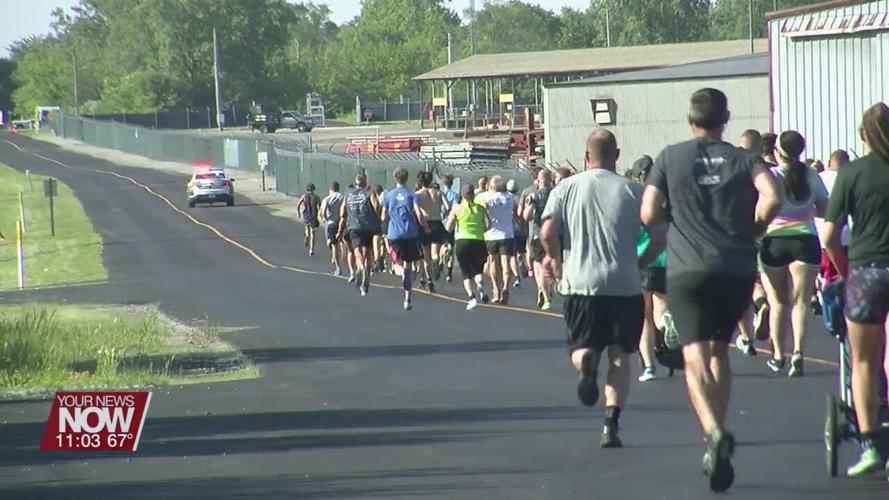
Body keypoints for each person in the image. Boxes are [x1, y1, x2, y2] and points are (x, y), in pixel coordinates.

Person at [641, 88, 781, 492]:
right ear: (725, 120)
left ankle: (713, 432)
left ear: (690, 119)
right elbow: (773, 195)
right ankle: (718, 429)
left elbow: (649, 212)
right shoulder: (744, 158)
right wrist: (755, 225)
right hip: (735, 267)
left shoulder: (670, 156)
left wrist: (673, 220)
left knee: (693, 354)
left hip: (688, 271)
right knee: (721, 351)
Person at [541, 129, 657, 450]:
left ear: (585, 156)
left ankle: (587, 362)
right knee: (621, 357)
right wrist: (640, 262)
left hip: (580, 284)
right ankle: (611, 424)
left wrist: (553, 258)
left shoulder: (565, 188)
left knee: (581, 346)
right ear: (617, 155)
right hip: (624, 285)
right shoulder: (635, 190)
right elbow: (660, 234)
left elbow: (548, 230)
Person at [823, 102, 889, 479]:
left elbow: (830, 234)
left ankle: (870, 443)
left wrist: (845, 270)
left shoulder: (851, 174)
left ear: (862, 135)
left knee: (863, 361)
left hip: (865, 271)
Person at [759, 131, 828, 377]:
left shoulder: (769, 177)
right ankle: (798, 352)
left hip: (774, 240)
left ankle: (778, 356)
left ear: (777, 151)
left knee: (778, 302)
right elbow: (824, 208)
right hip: (805, 240)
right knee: (801, 302)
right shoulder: (811, 175)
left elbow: (760, 208)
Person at [630, 156, 670, 382]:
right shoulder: (665, 197)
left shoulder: (635, 198)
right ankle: (667, 325)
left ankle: (649, 366)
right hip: (667, 259)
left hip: (643, 259)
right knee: (661, 310)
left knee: (644, 317)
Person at [382, 167, 429, 311]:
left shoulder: (388, 195)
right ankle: (407, 299)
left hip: (394, 234)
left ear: (395, 178)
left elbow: (383, 216)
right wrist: (425, 226)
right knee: (409, 264)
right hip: (410, 233)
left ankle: (401, 273)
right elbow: (419, 213)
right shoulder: (412, 194)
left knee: (396, 263)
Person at [446, 184, 491, 310]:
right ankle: (479, 283)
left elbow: (448, 228)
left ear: (462, 195)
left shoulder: (457, 209)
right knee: (478, 270)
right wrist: (480, 230)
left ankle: (472, 297)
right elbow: (489, 225)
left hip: (462, 241)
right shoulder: (481, 209)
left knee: (466, 273)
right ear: (473, 195)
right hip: (478, 241)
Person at [338, 174, 381, 296]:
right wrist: (376, 217)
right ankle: (365, 284)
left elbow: (342, 212)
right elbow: (376, 205)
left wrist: (341, 228)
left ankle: (361, 267)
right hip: (368, 226)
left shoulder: (349, 194)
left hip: (354, 226)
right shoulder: (369, 192)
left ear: (356, 183)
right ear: (365, 182)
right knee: (368, 252)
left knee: (357, 250)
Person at [523, 168, 554, 310]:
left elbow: (527, 216)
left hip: (537, 233)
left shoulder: (534, 195)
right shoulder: (556, 194)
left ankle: (543, 292)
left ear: (538, 180)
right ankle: (549, 287)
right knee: (552, 262)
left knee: (538, 264)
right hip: (554, 233)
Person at [484, 176, 518, 304]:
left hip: (492, 235)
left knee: (493, 263)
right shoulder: (510, 198)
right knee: (506, 264)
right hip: (507, 234)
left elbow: (484, 212)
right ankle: (505, 288)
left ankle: (496, 289)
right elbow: (516, 212)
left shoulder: (488, 199)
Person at [416, 172, 447, 293]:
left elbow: (417, 212)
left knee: (426, 255)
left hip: (425, 223)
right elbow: (448, 206)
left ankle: (429, 280)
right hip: (437, 222)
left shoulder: (418, 195)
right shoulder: (438, 192)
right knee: (435, 253)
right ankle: (437, 262)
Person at [319, 182, 345, 276]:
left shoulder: (327, 198)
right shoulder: (342, 197)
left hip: (331, 223)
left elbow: (323, 212)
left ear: (330, 189)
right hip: (342, 222)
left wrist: (325, 219)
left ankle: (337, 267)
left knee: (333, 244)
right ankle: (342, 257)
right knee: (341, 243)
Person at [440, 175, 460, 282]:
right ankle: (449, 273)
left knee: (441, 244)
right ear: (452, 184)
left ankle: (441, 258)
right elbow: (455, 209)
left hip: (441, 222)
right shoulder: (455, 195)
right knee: (451, 246)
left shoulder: (438, 194)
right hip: (451, 223)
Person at [507, 179, 527, 288]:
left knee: (512, 255)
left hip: (510, 229)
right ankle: (523, 264)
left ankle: (516, 276)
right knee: (521, 251)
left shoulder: (506, 199)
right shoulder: (520, 198)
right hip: (521, 229)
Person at [297, 184, 321, 256]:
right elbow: (320, 207)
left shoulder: (304, 196)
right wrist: (320, 215)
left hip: (306, 215)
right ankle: (311, 249)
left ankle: (307, 236)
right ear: (314, 189)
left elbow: (298, 205)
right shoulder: (317, 197)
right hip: (313, 216)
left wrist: (298, 213)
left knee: (307, 230)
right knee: (313, 234)